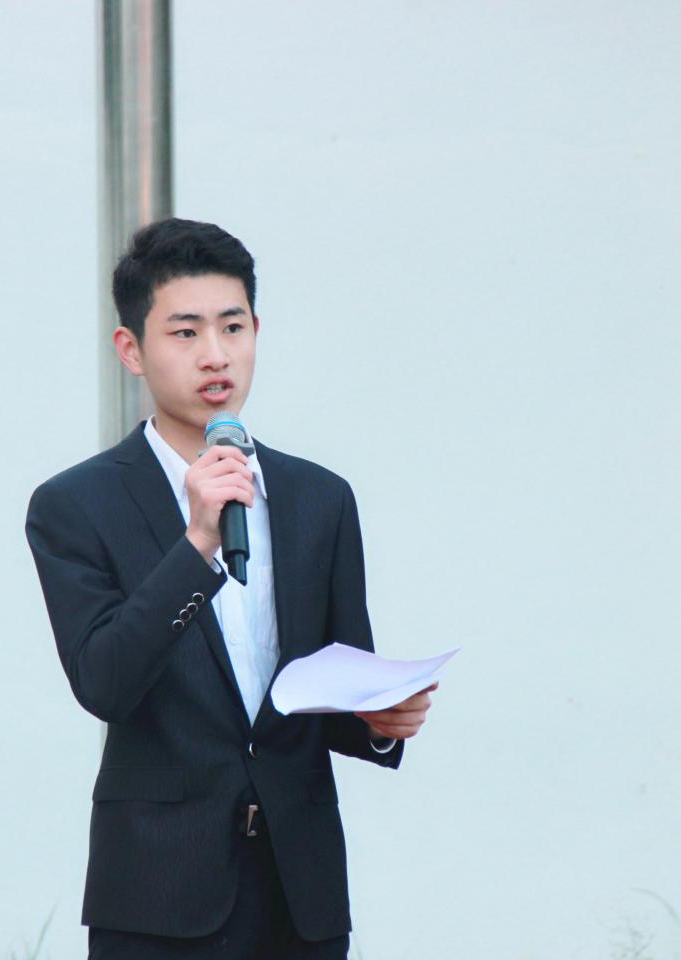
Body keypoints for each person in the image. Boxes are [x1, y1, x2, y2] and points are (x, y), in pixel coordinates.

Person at [24, 218, 435, 959]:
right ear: (132, 350)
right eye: (185, 332)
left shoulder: (320, 498)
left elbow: (332, 687)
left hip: (299, 894)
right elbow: (105, 682)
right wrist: (197, 544)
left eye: (233, 327)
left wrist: (378, 719)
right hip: (158, 897)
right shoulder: (76, 505)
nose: (216, 354)